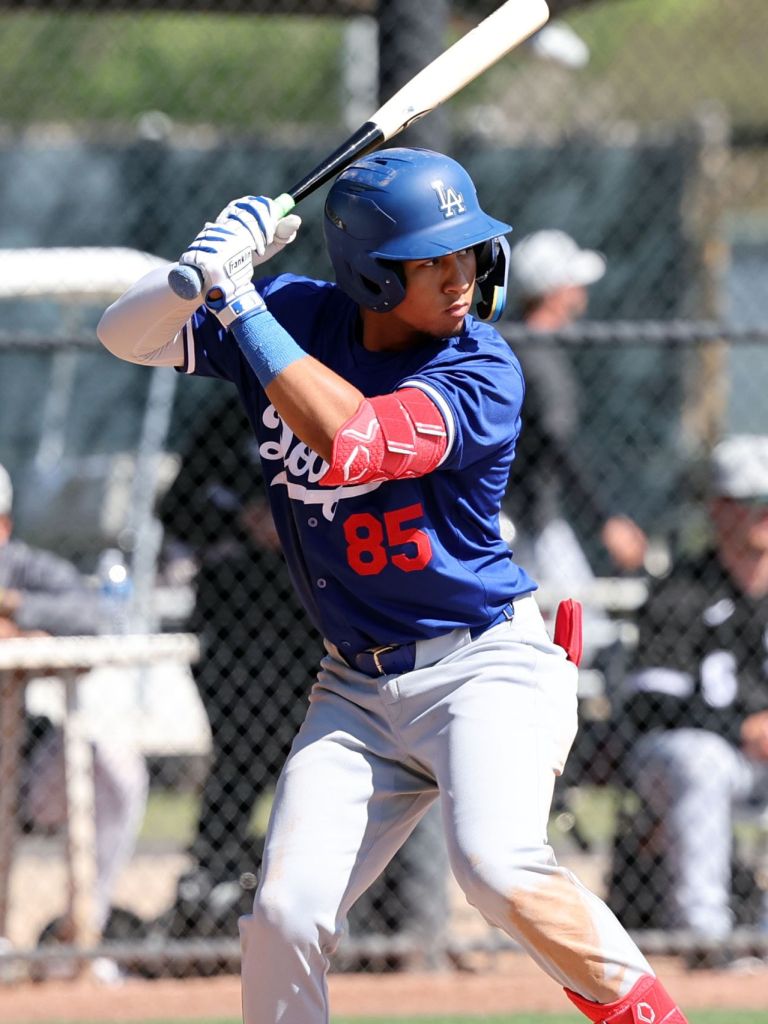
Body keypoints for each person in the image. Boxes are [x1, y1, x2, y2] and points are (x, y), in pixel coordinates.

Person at [98, 147, 688, 1023]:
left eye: (467, 255)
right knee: (285, 914)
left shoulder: (482, 369)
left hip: (485, 667)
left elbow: (356, 443)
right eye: (431, 261)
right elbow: (122, 334)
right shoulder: (300, 314)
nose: (461, 278)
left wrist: (242, 301)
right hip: (356, 687)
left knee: (497, 865)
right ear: (371, 276)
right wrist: (198, 276)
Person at [620, 434, 768, 961]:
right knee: (701, 759)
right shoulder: (681, 590)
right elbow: (649, 700)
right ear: (720, 510)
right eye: (754, 504)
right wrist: (741, 728)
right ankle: (707, 937)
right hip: (682, 758)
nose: (764, 516)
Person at [0, 461, 148, 939]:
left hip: (17, 761)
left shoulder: (22, 569)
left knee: (116, 773)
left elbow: (94, 613)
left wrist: (15, 610)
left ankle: (80, 932)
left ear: (3, 528)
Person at [503, 229, 647, 593]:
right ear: (555, 291)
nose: (581, 293)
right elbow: (556, 443)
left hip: (525, 516)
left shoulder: (520, 345)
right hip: (526, 520)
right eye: (574, 283)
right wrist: (606, 519)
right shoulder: (538, 359)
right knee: (583, 621)